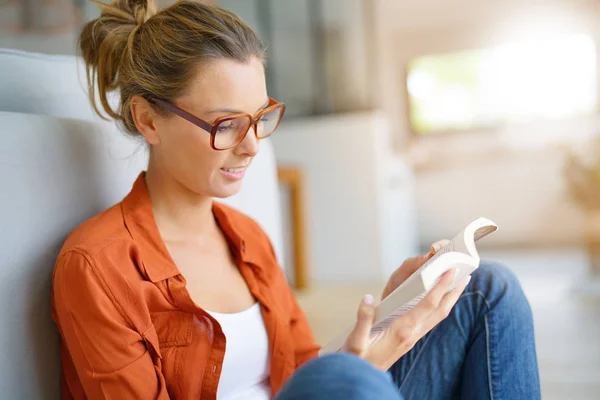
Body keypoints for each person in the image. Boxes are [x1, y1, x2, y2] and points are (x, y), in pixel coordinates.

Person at [51, 0, 541, 399]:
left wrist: (387, 317)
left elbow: (302, 369)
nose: (252, 145)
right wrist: (370, 366)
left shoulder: (245, 238)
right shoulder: (97, 267)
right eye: (226, 124)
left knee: (487, 288)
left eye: (260, 117)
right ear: (148, 120)